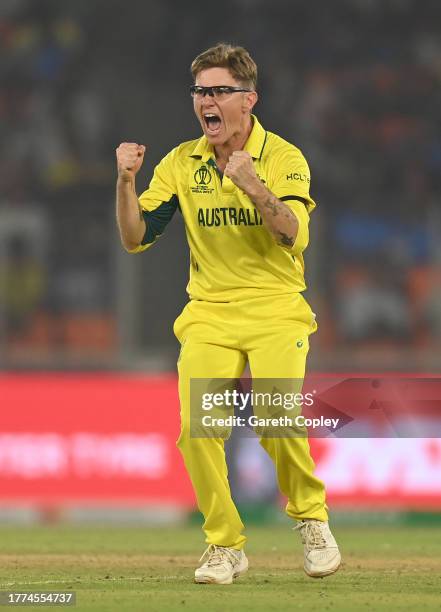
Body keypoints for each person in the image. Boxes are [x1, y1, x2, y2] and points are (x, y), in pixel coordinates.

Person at [116, 43, 341, 585]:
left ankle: (311, 520)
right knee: (198, 429)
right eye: (200, 92)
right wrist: (126, 182)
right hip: (210, 313)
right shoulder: (179, 162)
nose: (206, 102)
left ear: (249, 99)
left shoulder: (283, 158)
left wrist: (253, 184)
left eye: (219, 91)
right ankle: (224, 545)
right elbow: (136, 237)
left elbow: (292, 234)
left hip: (276, 311)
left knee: (275, 419)